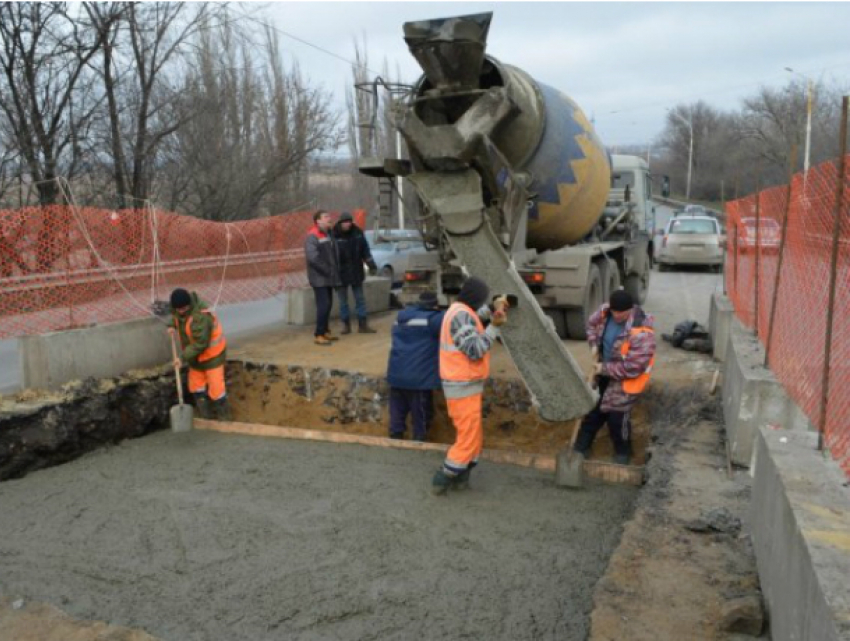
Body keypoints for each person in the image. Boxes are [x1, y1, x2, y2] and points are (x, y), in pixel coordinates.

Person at [431, 277, 509, 495]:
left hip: (466, 386)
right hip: (462, 386)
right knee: (467, 438)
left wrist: (493, 308)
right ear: (475, 298)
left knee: (473, 437)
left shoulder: (461, 311)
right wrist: (494, 327)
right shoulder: (460, 316)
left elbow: (475, 316)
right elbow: (475, 349)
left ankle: (461, 477)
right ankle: (443, 478)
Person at [573, 289, 656, 465]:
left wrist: (604, 368)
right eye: (614, 312)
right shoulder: (604, 312)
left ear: (630, 310)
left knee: (617, 418)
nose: (617, 316)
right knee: (593, 412)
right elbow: (591, 325)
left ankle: (623, 453)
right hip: (602, 372)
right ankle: (580, 449)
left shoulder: (642, 333)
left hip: (626, 381)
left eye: (621, 313)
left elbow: (633, 368)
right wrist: (594, 344)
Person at [386, 291, 445, 442]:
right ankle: (419, 441)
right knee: (422, 413)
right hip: (418, 378)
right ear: (434, 305)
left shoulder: (400, 317)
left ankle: (395, 438)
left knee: (397, 411)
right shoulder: (434, 319)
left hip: (396, 374)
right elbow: (456, 322)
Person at [169, 288, 230, 420]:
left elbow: (200, 344)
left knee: (216, 389)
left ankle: (224, 417)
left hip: (212, 356)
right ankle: (206, 416)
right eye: (177, 310)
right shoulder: (179, 309)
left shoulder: (201, 317)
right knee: (196, 387)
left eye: (182, 309)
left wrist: (181, 358)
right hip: (195, 359)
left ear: (188, 305)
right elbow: (174, 315)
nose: (180, 312)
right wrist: (171, 325)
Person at [333, 212, 379, 334]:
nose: (347, 224)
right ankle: (346, 326)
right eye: (345, 222)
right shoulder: (334, 235)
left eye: (349, 221)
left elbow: (366, 251)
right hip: (340, 274)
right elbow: (331, 256)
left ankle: (363, 325)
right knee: (343, 302)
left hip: (356, 271)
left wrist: (372, 265)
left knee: (360, 299)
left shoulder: (358, 233)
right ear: (340, 223)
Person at [305, 210, 341, 346]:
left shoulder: (328, 234)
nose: (329, 218)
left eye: (329, 216)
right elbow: (313, 258)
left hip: (328, 276)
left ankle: (325, 331)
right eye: (326, 217)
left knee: (328, 305)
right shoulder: (313, 236)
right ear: (318, 221)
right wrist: (327, 270)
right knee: (323, 305)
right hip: (319, 277)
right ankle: (319, 334)